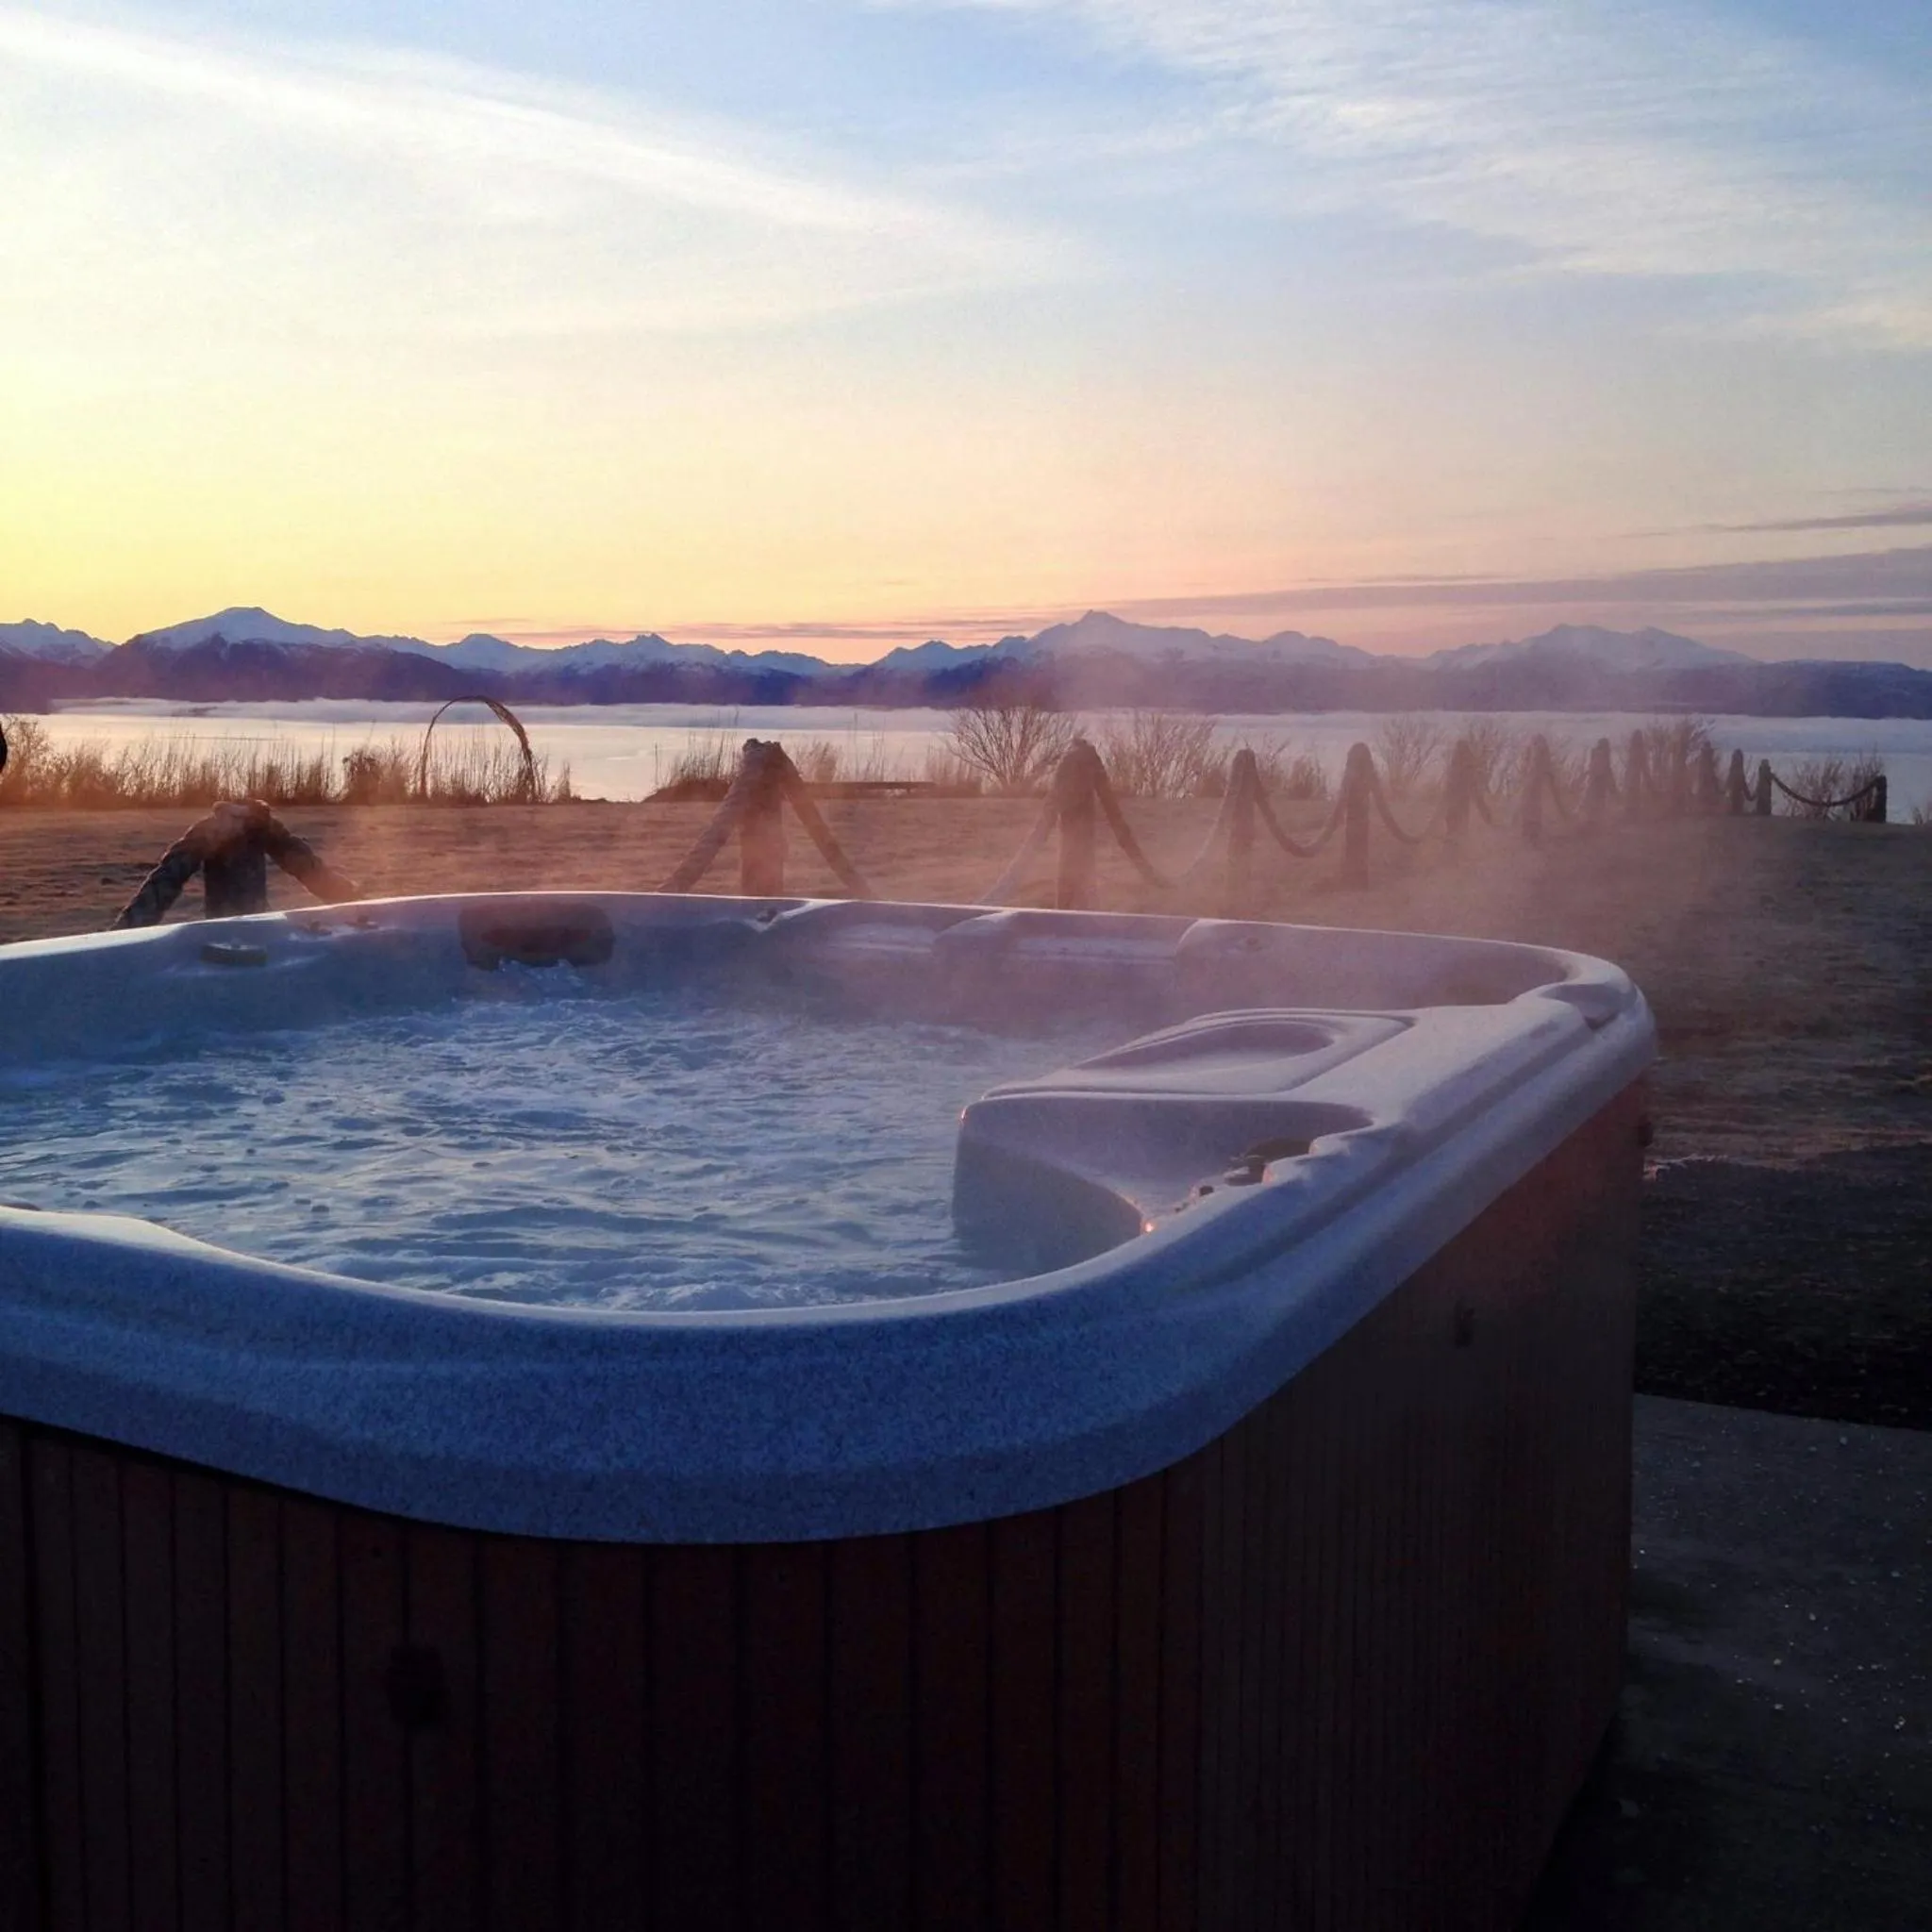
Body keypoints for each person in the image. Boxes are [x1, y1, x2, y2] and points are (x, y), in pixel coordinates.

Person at [110, 798, 362, 928]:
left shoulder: (261, 831)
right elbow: (167, 877)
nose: (238, 827)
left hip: (245, 927)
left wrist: (355, 903)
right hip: (227, 929)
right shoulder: (212, 832)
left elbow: (309, 869)